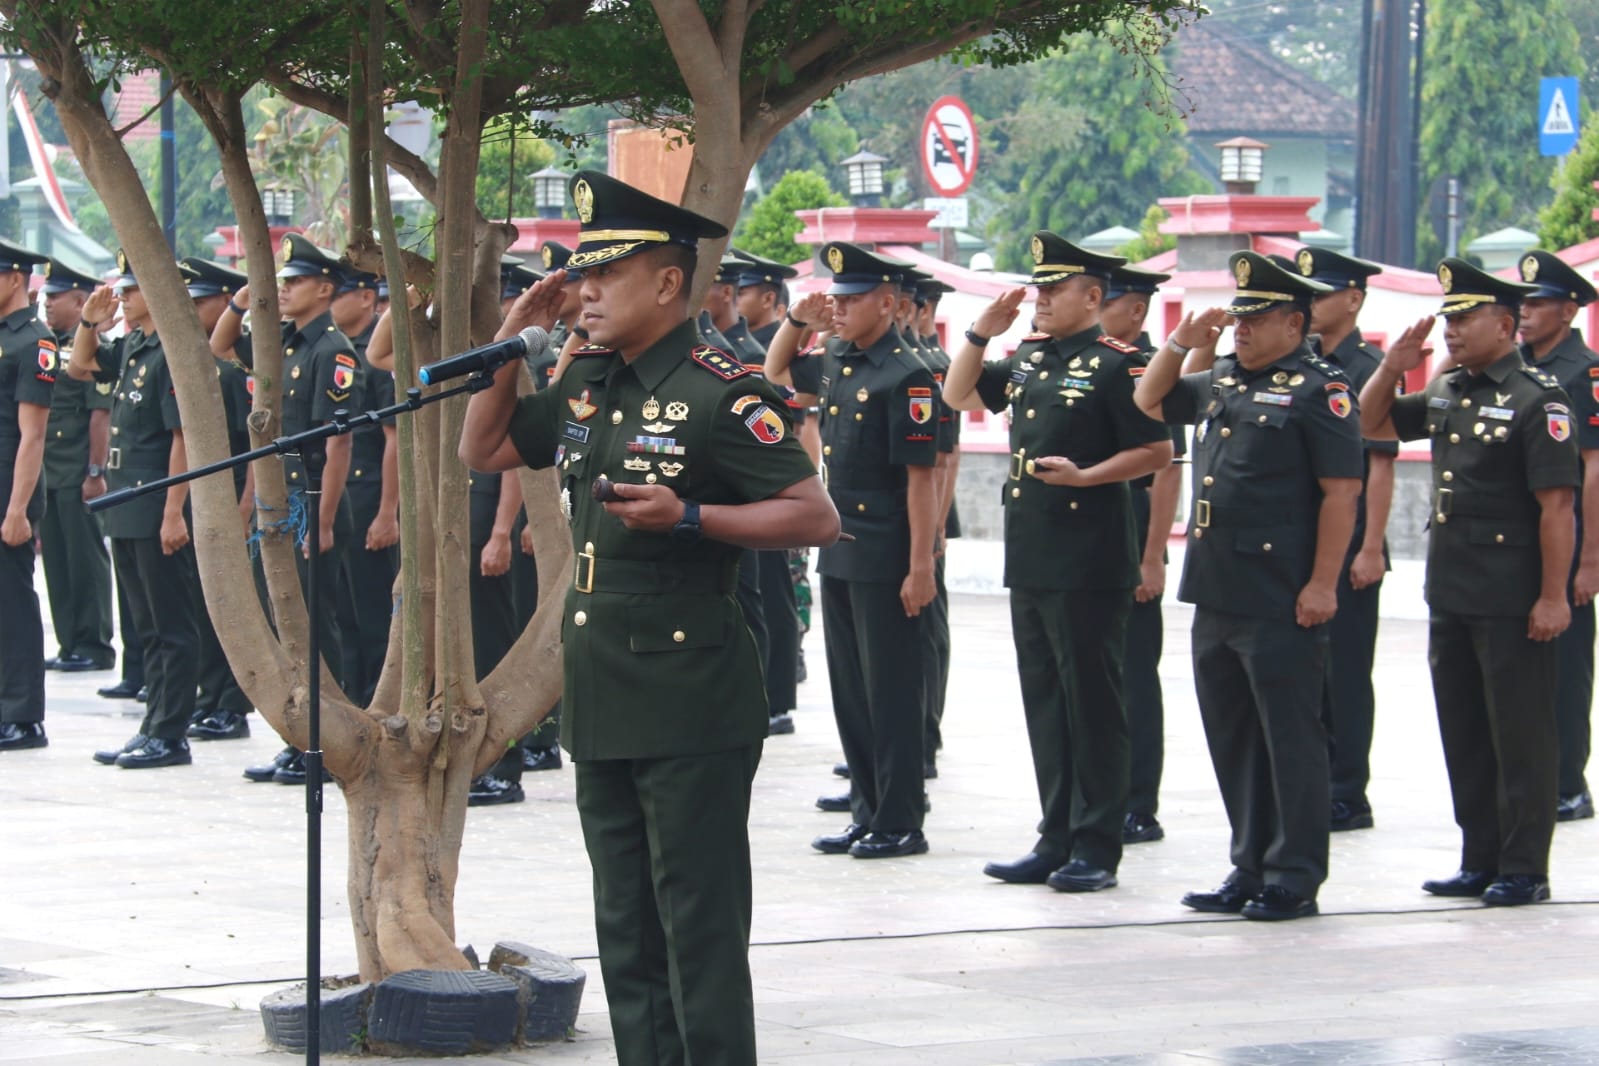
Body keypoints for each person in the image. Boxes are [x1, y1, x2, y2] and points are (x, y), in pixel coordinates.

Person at [459, 170, 838, 1066]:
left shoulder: (723, 392)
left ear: (667, 283)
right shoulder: (590, 379)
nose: (583, 293)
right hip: (604, 686)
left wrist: (693, 517)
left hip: (690, 693)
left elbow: (813, 515)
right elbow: (485, 447)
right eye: (580, 276)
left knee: (695, 925)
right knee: (624, 923)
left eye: (605, 276)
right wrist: (513, 338)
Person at [1134, 251, 1363, 921]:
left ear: (1292, 322)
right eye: (1238, 316)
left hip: (1280, 591)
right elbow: (1149, 398)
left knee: (1288, 737)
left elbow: (1340, 495)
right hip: (1217, 587)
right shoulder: (1224, 377)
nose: (1240, 329)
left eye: (1255, 318)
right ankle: (1248, 863)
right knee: (1232, 735)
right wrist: (1180, 342)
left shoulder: (1321, 390)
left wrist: (1323, 583)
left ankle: (1293, 873)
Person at [944, 234, 1172, 892]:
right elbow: (959, 396)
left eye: (1053, 290)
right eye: (1037, 289)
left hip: (1090, 557)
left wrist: (1088, 476)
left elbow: (1155, 453)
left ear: (1092, 297)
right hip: (1033, 553)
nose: (1040, 301)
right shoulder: (1030, 359)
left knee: (1092, 703)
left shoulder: (1115, 366)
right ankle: (1055, 835)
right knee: (1045, 701)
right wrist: (980, 334)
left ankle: (1097, 843)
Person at [1361, 259, 1578, 906]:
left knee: (1520, 734)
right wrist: (1391, 365)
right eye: (1447, 318)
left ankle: (1523, 866)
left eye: (1463, 318)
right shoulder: (1448, 387)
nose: (1450, 330)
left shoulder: (1539, 399)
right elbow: (1369, 423)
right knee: (1464, 729)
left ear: (1504, 324)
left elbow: (1556, 508)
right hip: (1451, 589)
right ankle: (1477, 856)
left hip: (1511, 596)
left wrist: (1550, 596)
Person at [795, 241, 940, 859]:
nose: (842, 310)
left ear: (886, 302)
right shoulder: (836, 359)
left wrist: (921, 565)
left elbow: (921, 477)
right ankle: (866, 810)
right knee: (852, 691)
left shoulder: (908, 375)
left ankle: (902, 818)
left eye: (853, 301)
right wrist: (800, 321)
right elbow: (780, 371)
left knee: (893, 692)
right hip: (843, 544)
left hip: (888, 551)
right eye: (838, 300)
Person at [215, 234, 363, 785]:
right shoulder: (287, 343)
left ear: (325, 288)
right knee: (286, 628)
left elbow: (339, 444)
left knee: (316, 627)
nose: (285, 289)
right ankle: (299, 738)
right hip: (279, 506)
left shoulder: (333, 350)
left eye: (294, 281)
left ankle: (327, 743)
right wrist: (242, 298)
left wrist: (322, 522)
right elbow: (220, 345)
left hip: (312, 505)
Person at [75, 252, 200, 769]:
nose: (121, 298)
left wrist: (174, 511)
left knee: (171, 624)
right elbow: (80, 364)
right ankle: (152, 725)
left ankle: (171, 733)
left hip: (155, 501)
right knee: (145, 623)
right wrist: (88, 321)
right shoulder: (134, 346)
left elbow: (183, 437)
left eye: (130, 290)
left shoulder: (172, 349)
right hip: (127, 500)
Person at [1294, 247, 1398, 832]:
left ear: (1353, 299)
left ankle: (1347, 790)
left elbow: (1380, 463)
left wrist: (1371, 547)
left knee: (1348, 670)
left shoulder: (1369, 366)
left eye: (1321, 294)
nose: (1310, 305)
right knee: (1309, 668)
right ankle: (1316, 779)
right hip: (1305, 537)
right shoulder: (1302, 360)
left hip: (1352, 537)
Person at [1097, 263, 1184, 845]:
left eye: (1105, 300)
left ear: (1135, 310)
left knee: (1133, 679)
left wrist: (1151, 557)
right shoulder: (1095, 365)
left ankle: (1138, 803)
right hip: (1092, 546)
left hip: (1134, 540)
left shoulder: (1151, 372)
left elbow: (1167, 472)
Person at [1514, 249, 1599, 823]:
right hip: (1515, 539)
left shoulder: (1585, 371)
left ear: (1567, 309)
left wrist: (1591, 557)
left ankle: (1569, 779)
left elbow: (1594, 466)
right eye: (1521, 301)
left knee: (1567, 668)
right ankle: (1532, 773)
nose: (1524, 311)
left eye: (1538, 302)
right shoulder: (1514, 365)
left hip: (1567, 540)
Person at [178, 257, 255, 742]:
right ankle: (211, 695)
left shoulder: (240, 363)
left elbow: (251, 442)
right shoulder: (201, 358)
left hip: (238, 486)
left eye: (201, 301)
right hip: (208, 489)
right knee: (207, 600)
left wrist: (246, 503)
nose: (192, 309)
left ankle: (232, 702)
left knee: (235, 598)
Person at [37, 260, 115, 675]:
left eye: (55, 296)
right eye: (46, 296)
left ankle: (94, 643)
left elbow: (99, 415)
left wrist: (95, 472)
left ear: (80, 300)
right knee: (57, 562)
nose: (47, 303)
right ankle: (70, 641)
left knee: (85, 561)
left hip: (78, 471)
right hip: (49, 470)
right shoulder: (49, 344)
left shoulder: (92, 348)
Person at [331, 263, 397, 708]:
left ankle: (376, 705)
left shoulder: (378, 355)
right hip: (342, 497)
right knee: (342, 613)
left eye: (338, 292)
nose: (332, 302)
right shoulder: (338, 350)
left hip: (371, 492)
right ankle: (350, 702)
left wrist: (387, 513)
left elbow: (394, 438)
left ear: (366, 298)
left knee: (372, 614)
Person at [0, 239, 55, 753]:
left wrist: (18, 508)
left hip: (7, 494)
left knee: (13, 603)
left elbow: (32, 435)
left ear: (16, 278)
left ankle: (23, 716)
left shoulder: (33, 342)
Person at [736, 252, 797, 349]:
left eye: (739, 294)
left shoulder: (781, 349)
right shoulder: (737, 342)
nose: (731, 301)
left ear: (768, 299)